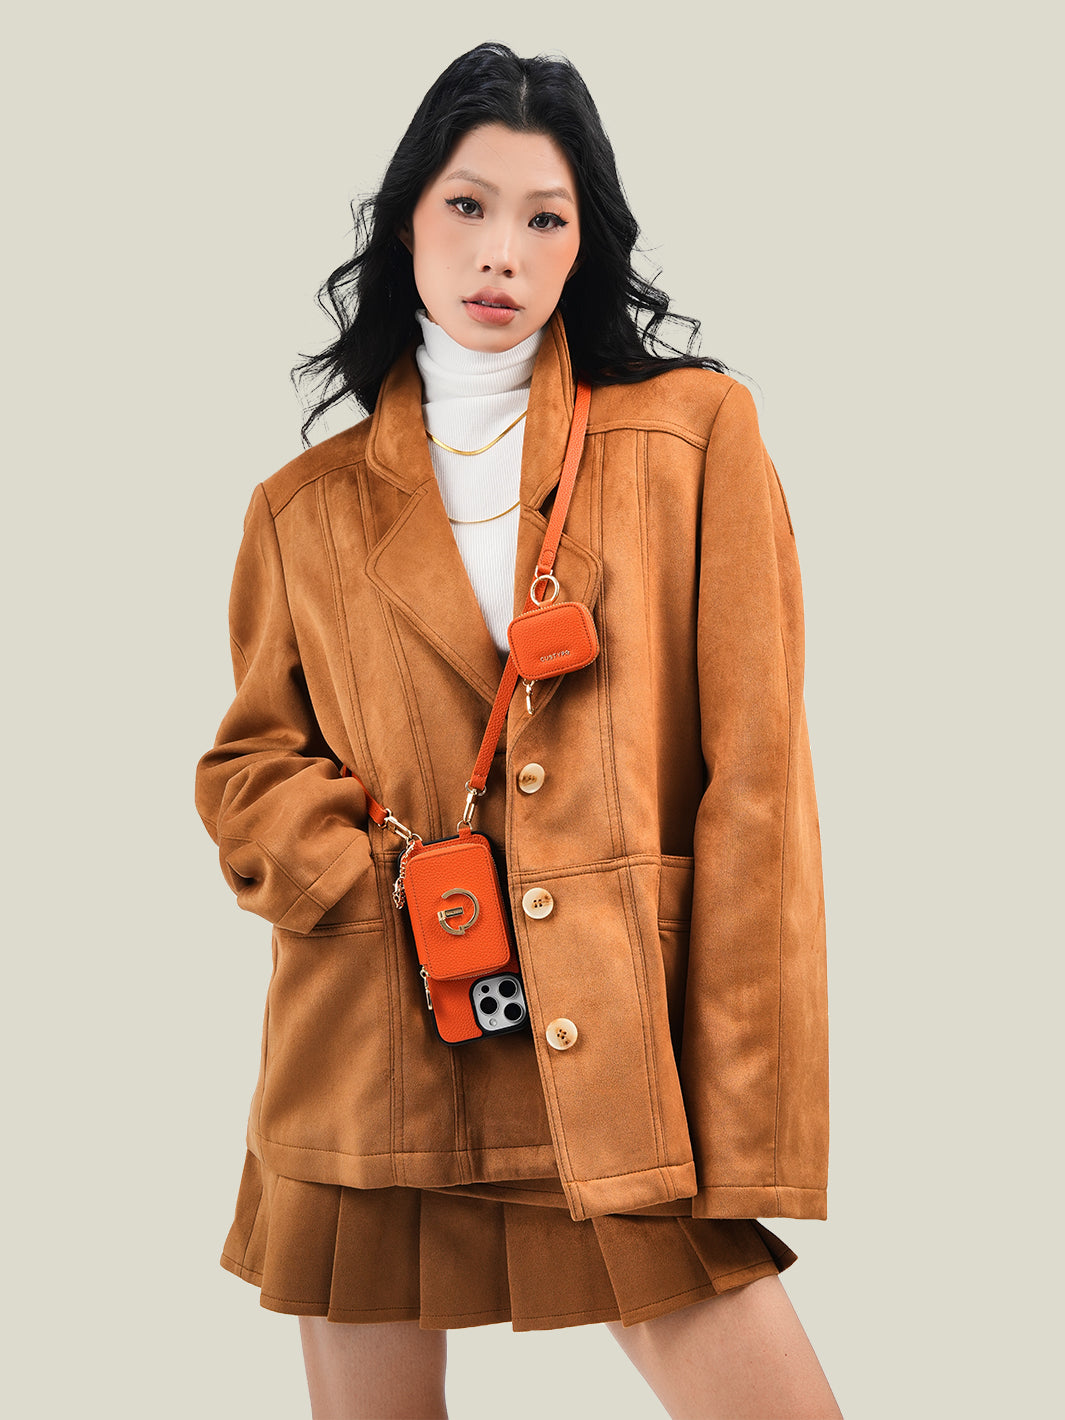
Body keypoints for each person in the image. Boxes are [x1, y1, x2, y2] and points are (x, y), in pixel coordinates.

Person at [195, 41, 842, 1420]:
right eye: (467, 206)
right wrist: (354, 875)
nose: (502, 250)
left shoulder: (692, 437)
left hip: (608, 1041)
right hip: (375, 1036)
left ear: (583, 244)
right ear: (406, 224)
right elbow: (249, 759)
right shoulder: (300, 508)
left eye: (546, 218)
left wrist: (748, 1113)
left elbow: (759, 786)